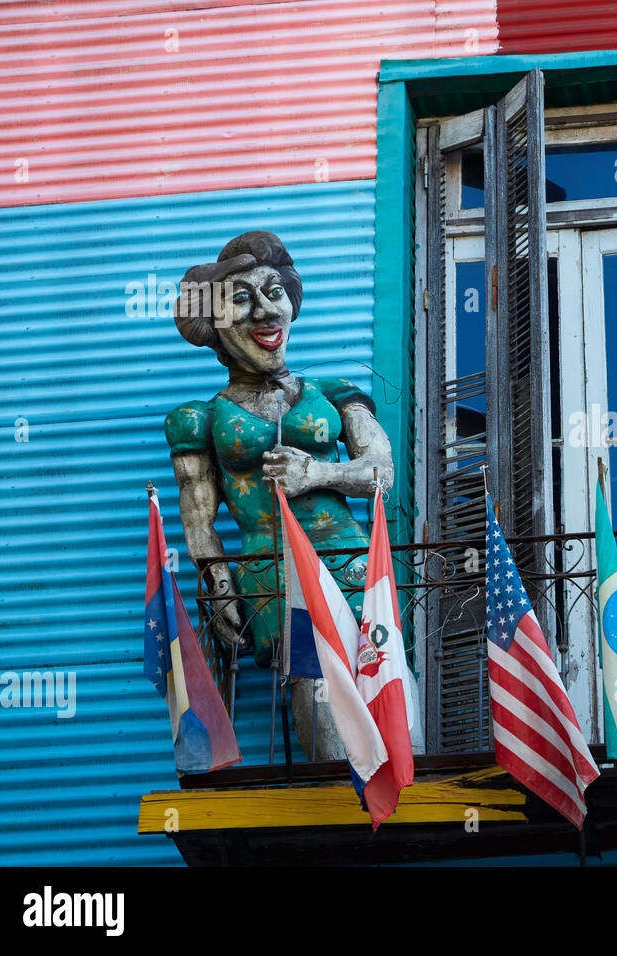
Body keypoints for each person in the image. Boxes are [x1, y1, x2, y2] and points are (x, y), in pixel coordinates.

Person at [164, 231, 395, 759]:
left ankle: (401, 797)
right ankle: (342, 805)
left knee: (385, 673)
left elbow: (380, 471)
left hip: (353, 561)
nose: (265, 312)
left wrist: (314, 474)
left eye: (274, 293)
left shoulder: (334, 393)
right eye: (242, 300)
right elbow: (198, 519)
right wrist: (216, 579)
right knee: (312, 685)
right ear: (216, 329)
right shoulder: (199, 419)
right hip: (272, 572)